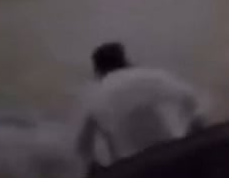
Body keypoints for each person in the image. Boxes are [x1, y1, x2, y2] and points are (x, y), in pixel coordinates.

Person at [75, 42, 207, 171]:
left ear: (97, 71)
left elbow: (82, 148)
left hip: (134, 169)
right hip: (175, 153)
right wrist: (193, 133)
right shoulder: (156, 76)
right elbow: (196, 105)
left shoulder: (95, 95)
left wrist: (97, 169)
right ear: (126, 60)